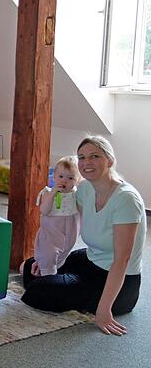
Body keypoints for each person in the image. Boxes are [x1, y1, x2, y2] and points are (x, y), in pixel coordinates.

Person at [21, 136, 145, 336]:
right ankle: (65, 281)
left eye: (94, 156)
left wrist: (103, 310)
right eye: (82, 157)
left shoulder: (126, 199)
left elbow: (122, 260)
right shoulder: (86, 189)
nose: (87, 163)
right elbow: (63, 224)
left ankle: (76, 289)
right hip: (90, 258)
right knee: (31, 266)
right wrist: (48, 253)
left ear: (109, 161)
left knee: (38, 291)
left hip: (117, 280)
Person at [25, 156, 80, 276]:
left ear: (77, 180)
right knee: (48, 256)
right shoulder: (48, 193)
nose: (64, 181)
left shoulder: (76, 194)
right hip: (51, 234)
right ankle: (46, 278)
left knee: (62, 256)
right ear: (54, 176)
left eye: (70, 178)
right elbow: (44, 210)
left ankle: (48, 271)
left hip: (69, 234)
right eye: (60, 176)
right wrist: (53, 194)